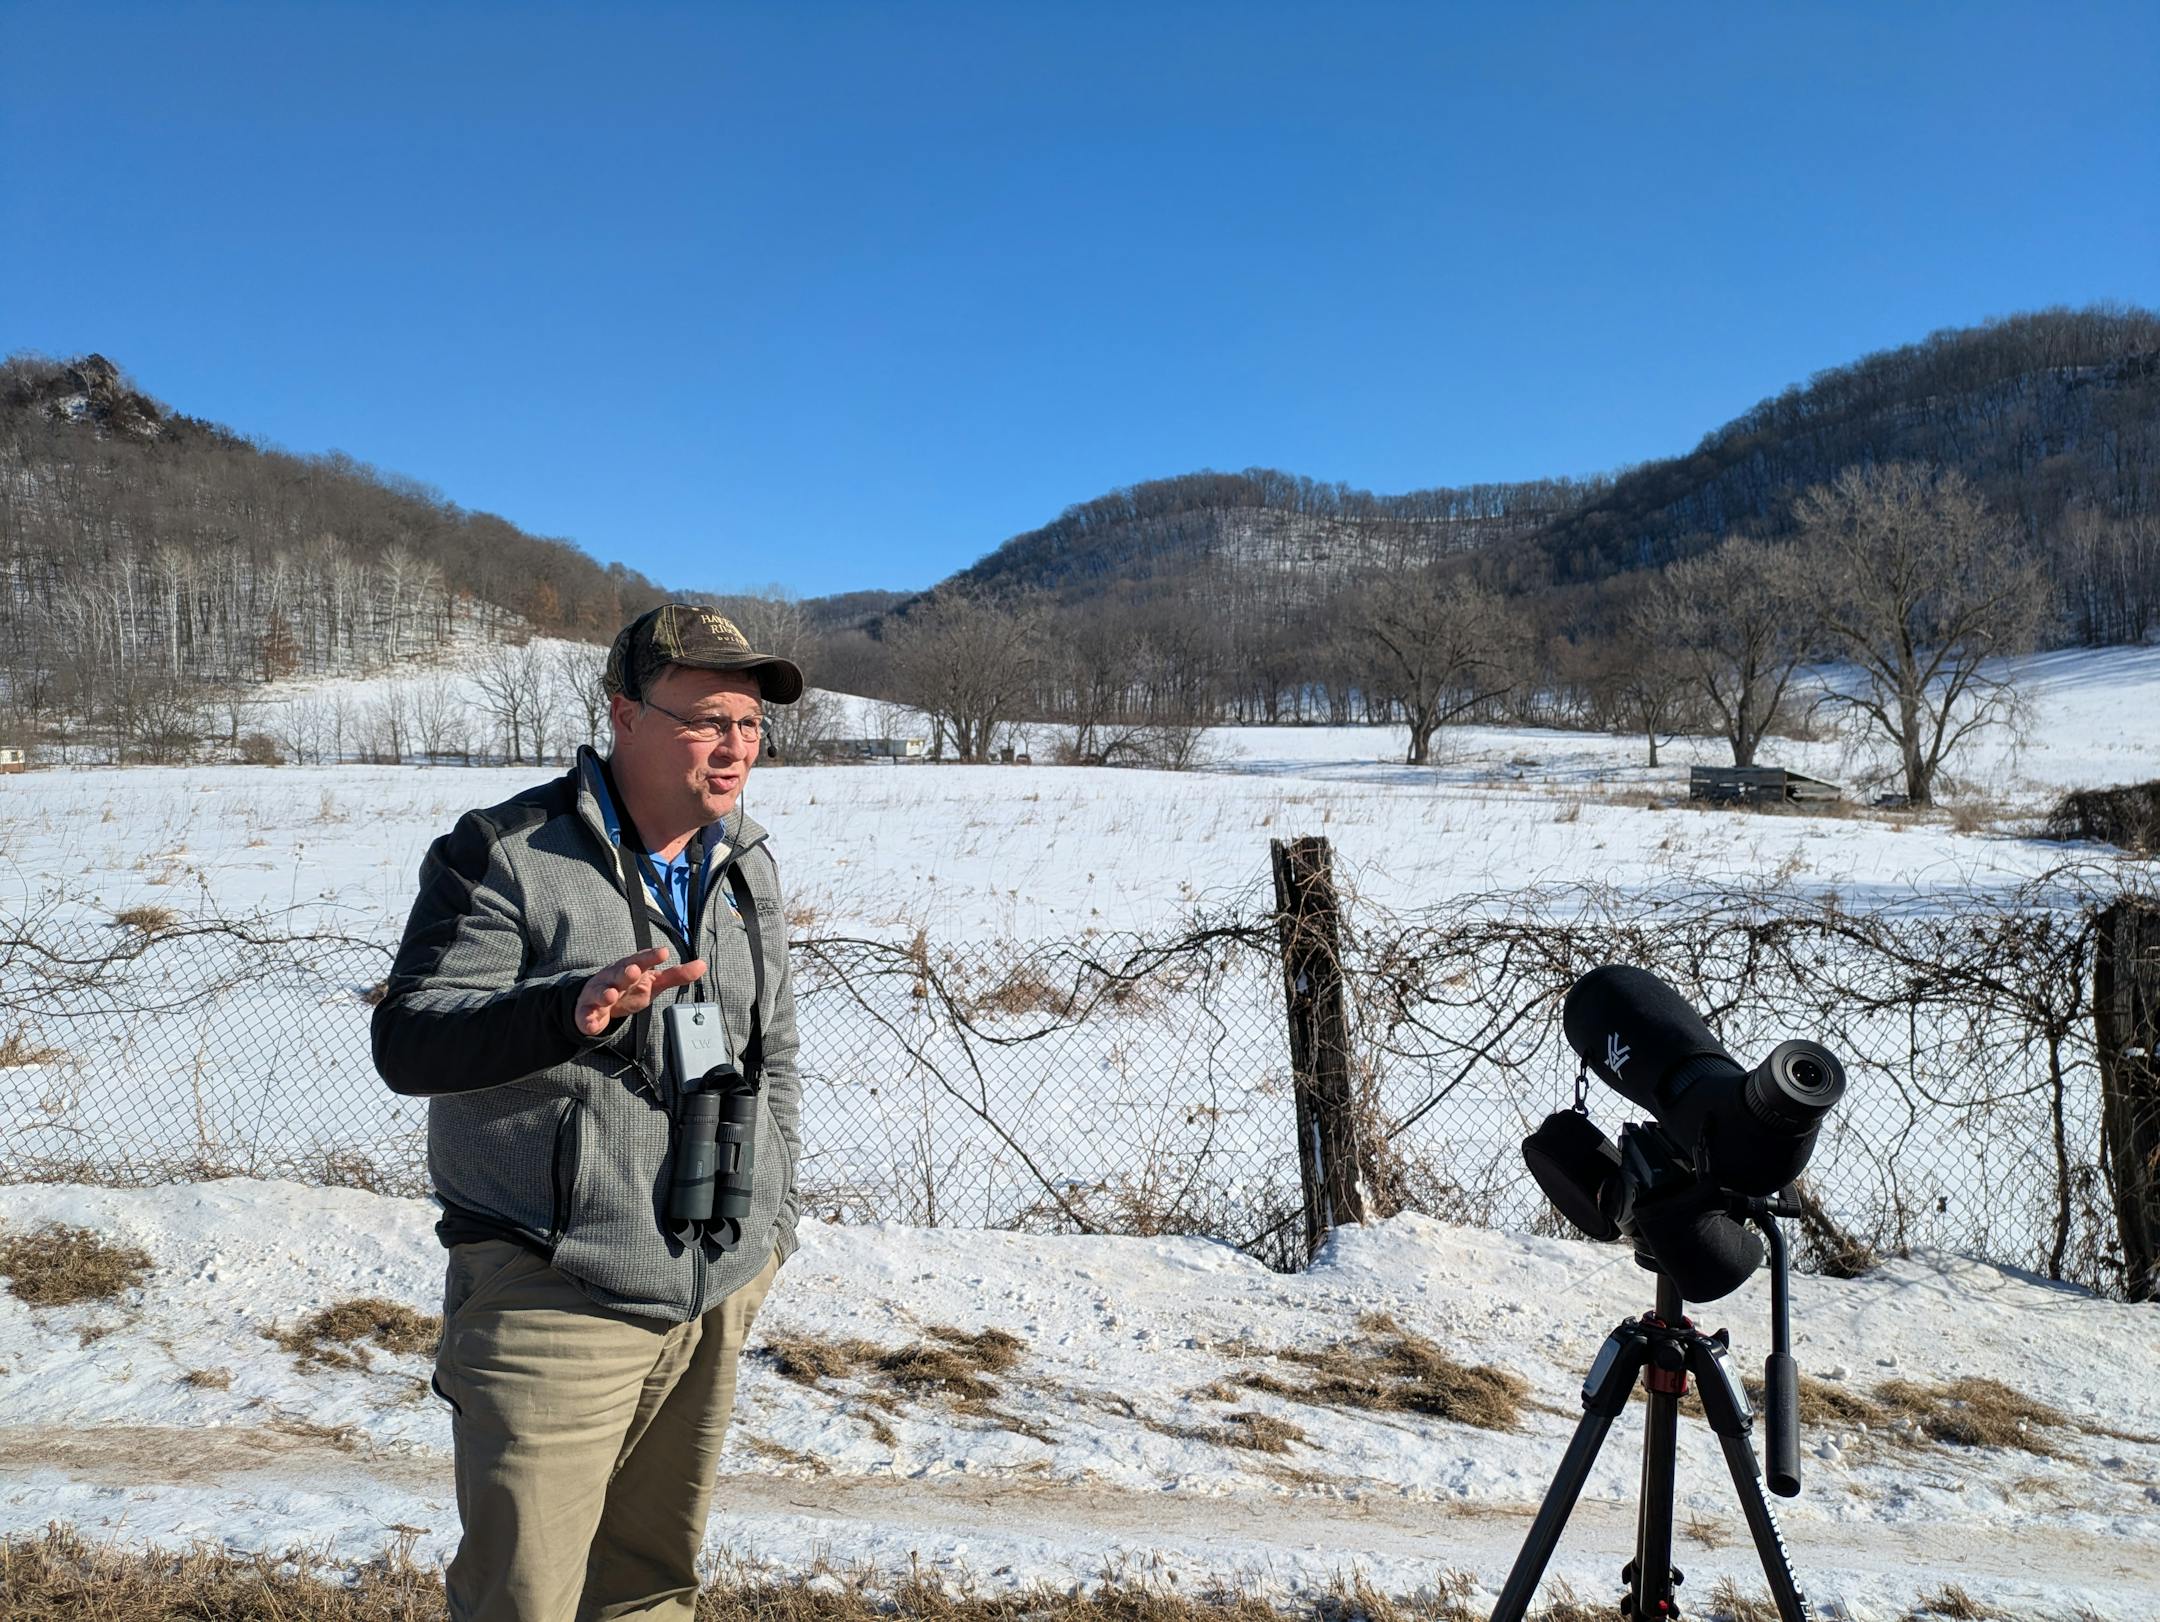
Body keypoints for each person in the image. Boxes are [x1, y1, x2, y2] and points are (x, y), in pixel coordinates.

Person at [372, 603, 806, 1622]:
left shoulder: (743, 861)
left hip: (711, 1285)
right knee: (523, 1599)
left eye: (750, 723)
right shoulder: (506, 852)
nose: (736, 747)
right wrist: (564, 1010)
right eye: (707, 720)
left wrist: (770, 1225)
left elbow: (772, 1050)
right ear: (625, 715)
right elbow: (411, 1039)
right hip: (553, 1292)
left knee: (651, 1585)